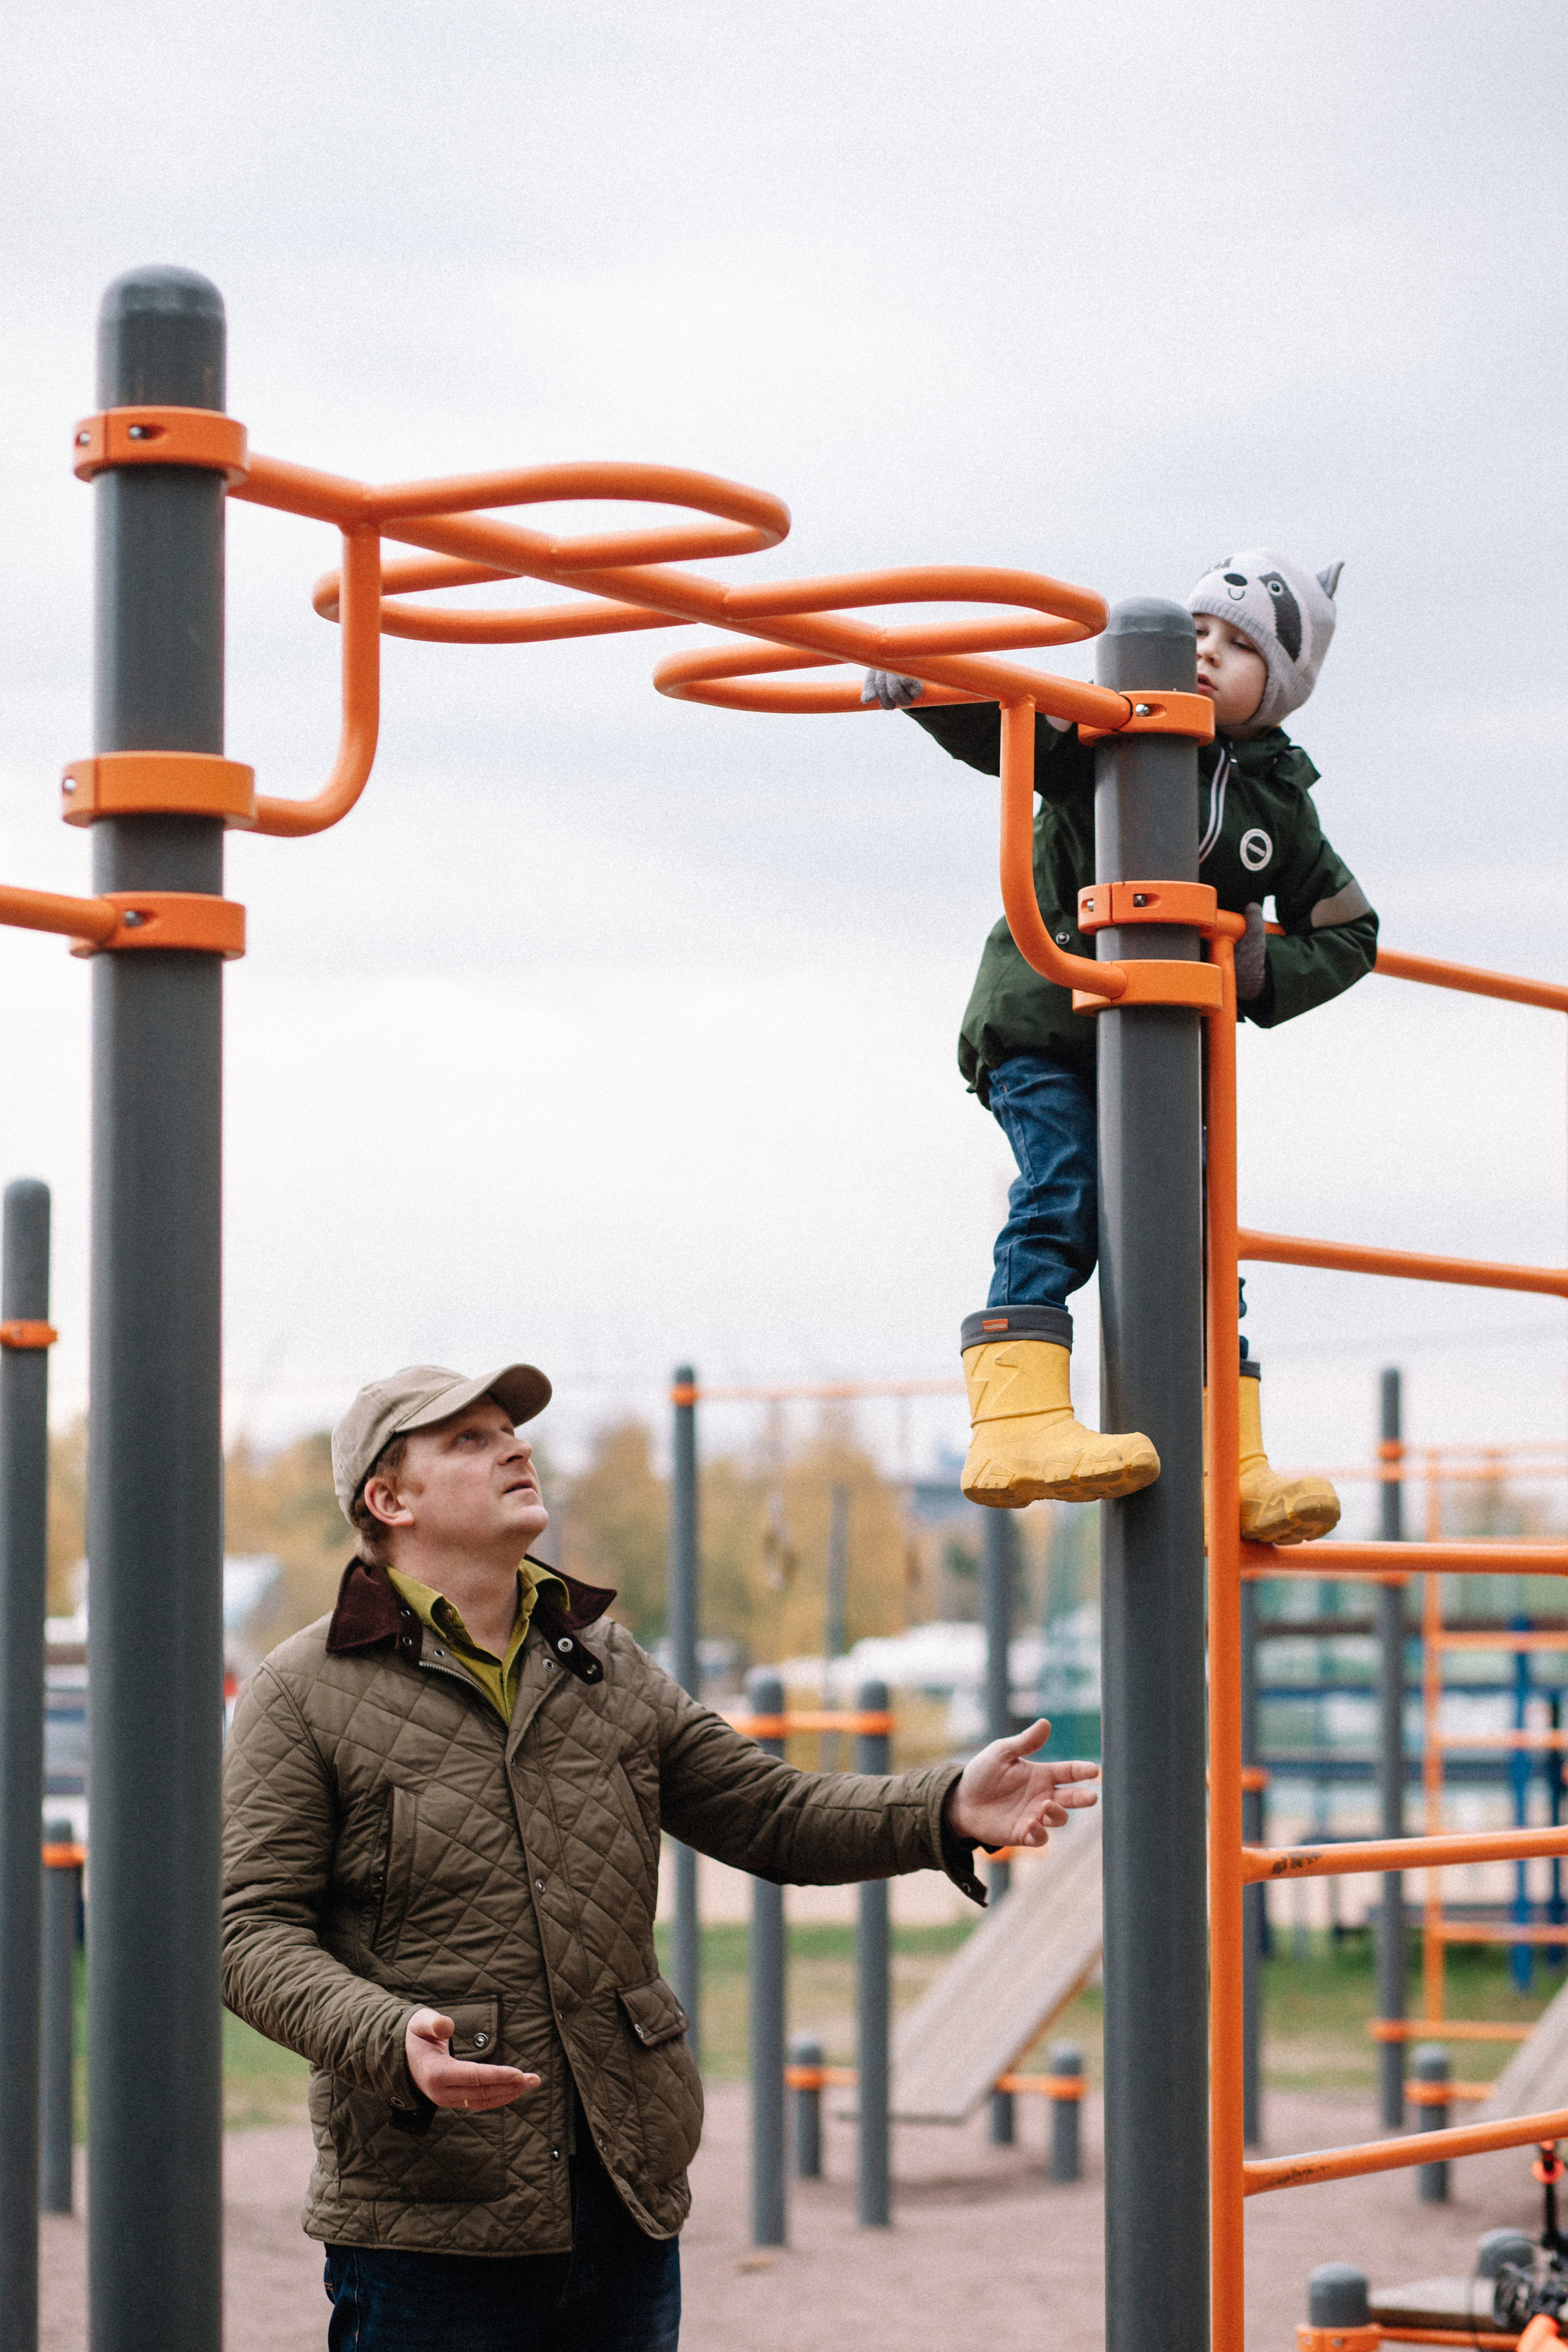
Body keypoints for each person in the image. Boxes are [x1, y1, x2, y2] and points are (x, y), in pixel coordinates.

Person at [222, 1362, 1099, 2351]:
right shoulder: (302, 1692)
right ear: (390, 1499)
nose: (515, 1446)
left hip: (624, 2194)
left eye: (512, 1430)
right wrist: (386, 2038)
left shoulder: (605, 1661)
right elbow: (249, 1932)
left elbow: (769, 1813)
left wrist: (943, 1805)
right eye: (468, 1439)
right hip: (429, 2213)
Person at [863, 551, 1377, 1542]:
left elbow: (1352, 932)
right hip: (1046, 1024)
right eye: (1198, 631)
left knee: (1195, 1240)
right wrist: (923, 683)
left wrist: (1253, 968)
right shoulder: (1108, 725)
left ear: (1281, 691)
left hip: (1163, 1051)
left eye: (1239, 649)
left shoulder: (1276, 802)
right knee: (1067, 1194)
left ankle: (1229, 1455)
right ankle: (1015, 1421)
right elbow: (1009, 726)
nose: (1205, 654)